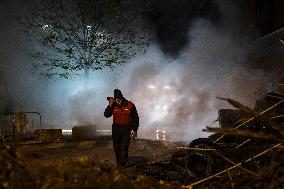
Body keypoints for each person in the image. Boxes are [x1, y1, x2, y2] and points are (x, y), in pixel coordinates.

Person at [104, 89, 139, 167]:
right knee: (116, 148)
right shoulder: (112, 105)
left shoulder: (130, 105)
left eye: (119, 100)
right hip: (116, 129)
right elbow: (106, 115)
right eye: (116, 100)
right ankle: (119, 164)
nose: (118, 102)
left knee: (123, 147)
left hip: (126, 129)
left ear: (122, 98)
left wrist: (134, 130)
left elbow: (135, 118)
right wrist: (110, 105)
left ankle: (123, 165)